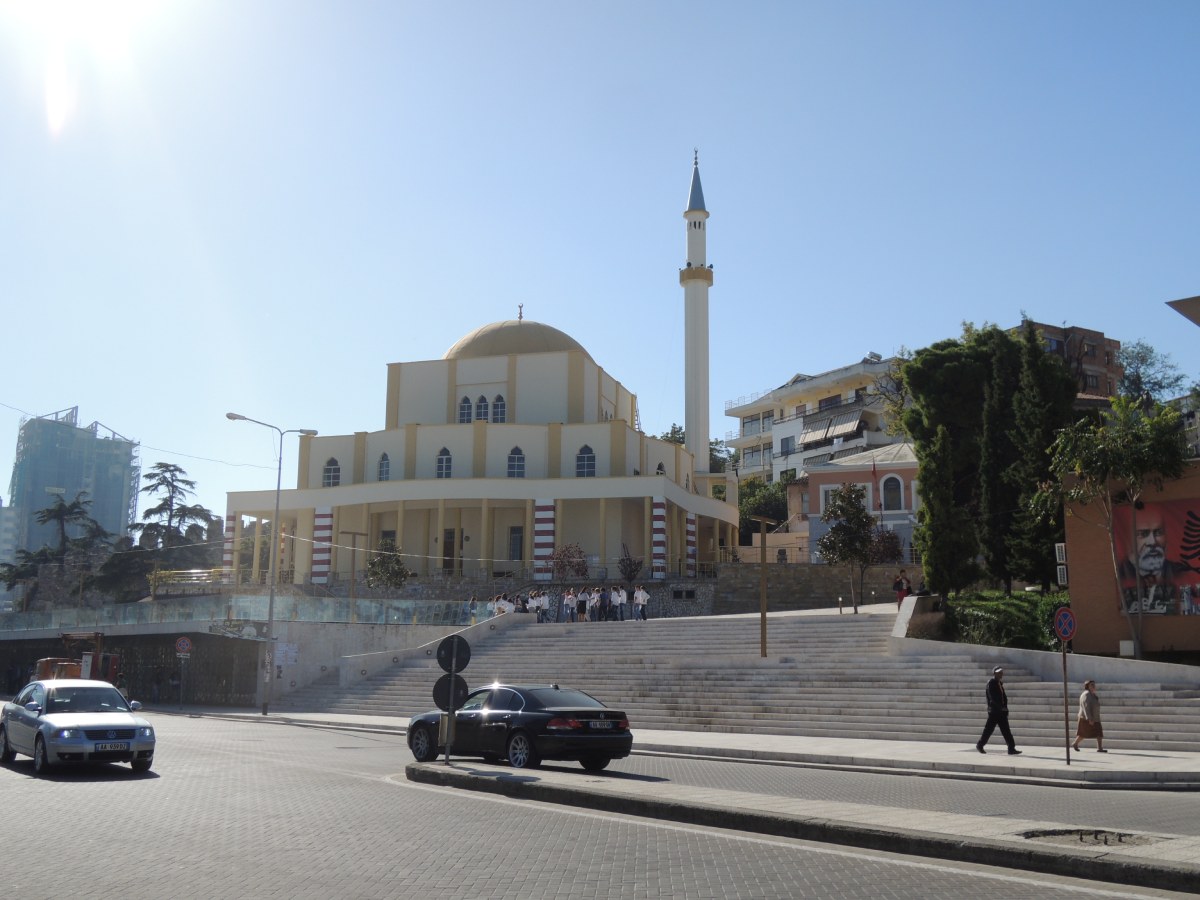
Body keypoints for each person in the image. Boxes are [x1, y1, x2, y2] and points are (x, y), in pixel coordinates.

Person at [1117, 503, 1189, 614]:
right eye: (1142, 534)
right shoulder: (1120, 574)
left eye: (1158, 533)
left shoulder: (1182, 572)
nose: (1152, 542)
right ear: (1128, 541)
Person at [976, 666, 1021, 755]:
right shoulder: (991, 683)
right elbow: (993, 698)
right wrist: (1001, 707)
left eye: (1001, 672)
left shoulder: (999, 683)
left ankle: (1011, 748)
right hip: (994, 712)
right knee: (988, 730)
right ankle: (980, 745)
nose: (1001, 674)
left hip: (1001, 712)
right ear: (994, 673)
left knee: (1006, 731)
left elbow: (1003, 698)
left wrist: (1005, 708)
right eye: (999, 672)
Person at [1073, 679, 1106, 752]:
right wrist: (1089, 718)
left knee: (1099, 733)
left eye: (1094, 684)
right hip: (1086, 718)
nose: (1094, 686)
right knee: (1083, 734)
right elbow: (1086, 707)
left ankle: (1100, 748)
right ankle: (1075, 743)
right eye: (1092, 685)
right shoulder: (1086, 694)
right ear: (1087, 686)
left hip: (1095, 717)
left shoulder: (1092, 694)